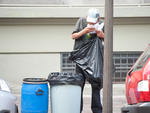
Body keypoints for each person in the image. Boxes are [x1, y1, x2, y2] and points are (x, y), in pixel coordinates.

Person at [71, 8, 104, 113]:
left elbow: (108, 38)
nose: (91, 23)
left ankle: (97, 110)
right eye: (89, 21)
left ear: (98, 19)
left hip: (95, 59)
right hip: (81, 59)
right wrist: (84, 31)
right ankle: (77, 109)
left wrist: (101, 34)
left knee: (96, 86)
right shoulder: (81, 21)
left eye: (93, 21)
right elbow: (73, 36)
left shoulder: (103, 23)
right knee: (79, 85)